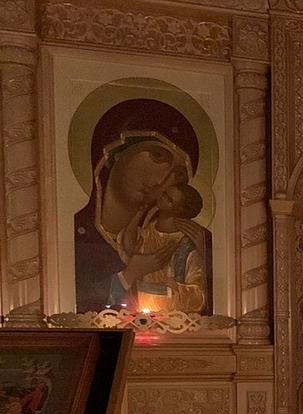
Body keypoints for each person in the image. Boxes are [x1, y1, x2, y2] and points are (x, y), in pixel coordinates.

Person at [74, 98, 213, 314]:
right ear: (118, 151)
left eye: (177, 175)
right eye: (158, 156)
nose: (162, 181)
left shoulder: (178, 240)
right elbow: (79, 302)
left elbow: (198, 297)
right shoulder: (76, 234)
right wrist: (129, 274)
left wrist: (205, 255)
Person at [116, 184, 210, 313]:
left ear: (178, 209)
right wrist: (140, 212)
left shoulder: (185, 244)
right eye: (164, 193)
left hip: (172, 316)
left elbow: (198, 297)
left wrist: (171, 287)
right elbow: (130, 248)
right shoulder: (148, 232)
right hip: (141, 309)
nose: (163, 198)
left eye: (169, 199)